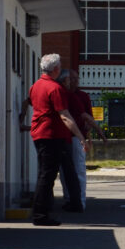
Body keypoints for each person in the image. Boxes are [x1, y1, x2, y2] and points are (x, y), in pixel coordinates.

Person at [29, 54, 86, 226]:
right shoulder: (55, 88)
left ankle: (55, 207)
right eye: (60, 67)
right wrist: (81, 136)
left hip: (41, 133)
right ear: (55, 69)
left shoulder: (35, 86)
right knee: (48, 175)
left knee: (47, 173)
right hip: (52, 135)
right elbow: (65, 116)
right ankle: (40, 214)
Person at [60, 69, 106, 211]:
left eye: (76, 79)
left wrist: (90, 136)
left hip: (77, 137)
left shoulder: (81, 96)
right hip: (63, 137)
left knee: (78, 169)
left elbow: (87, 118)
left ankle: (80, 200)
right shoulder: (62, 94)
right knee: (64, 171)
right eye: (71, 79)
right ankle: (69, 199)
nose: (75, 81)